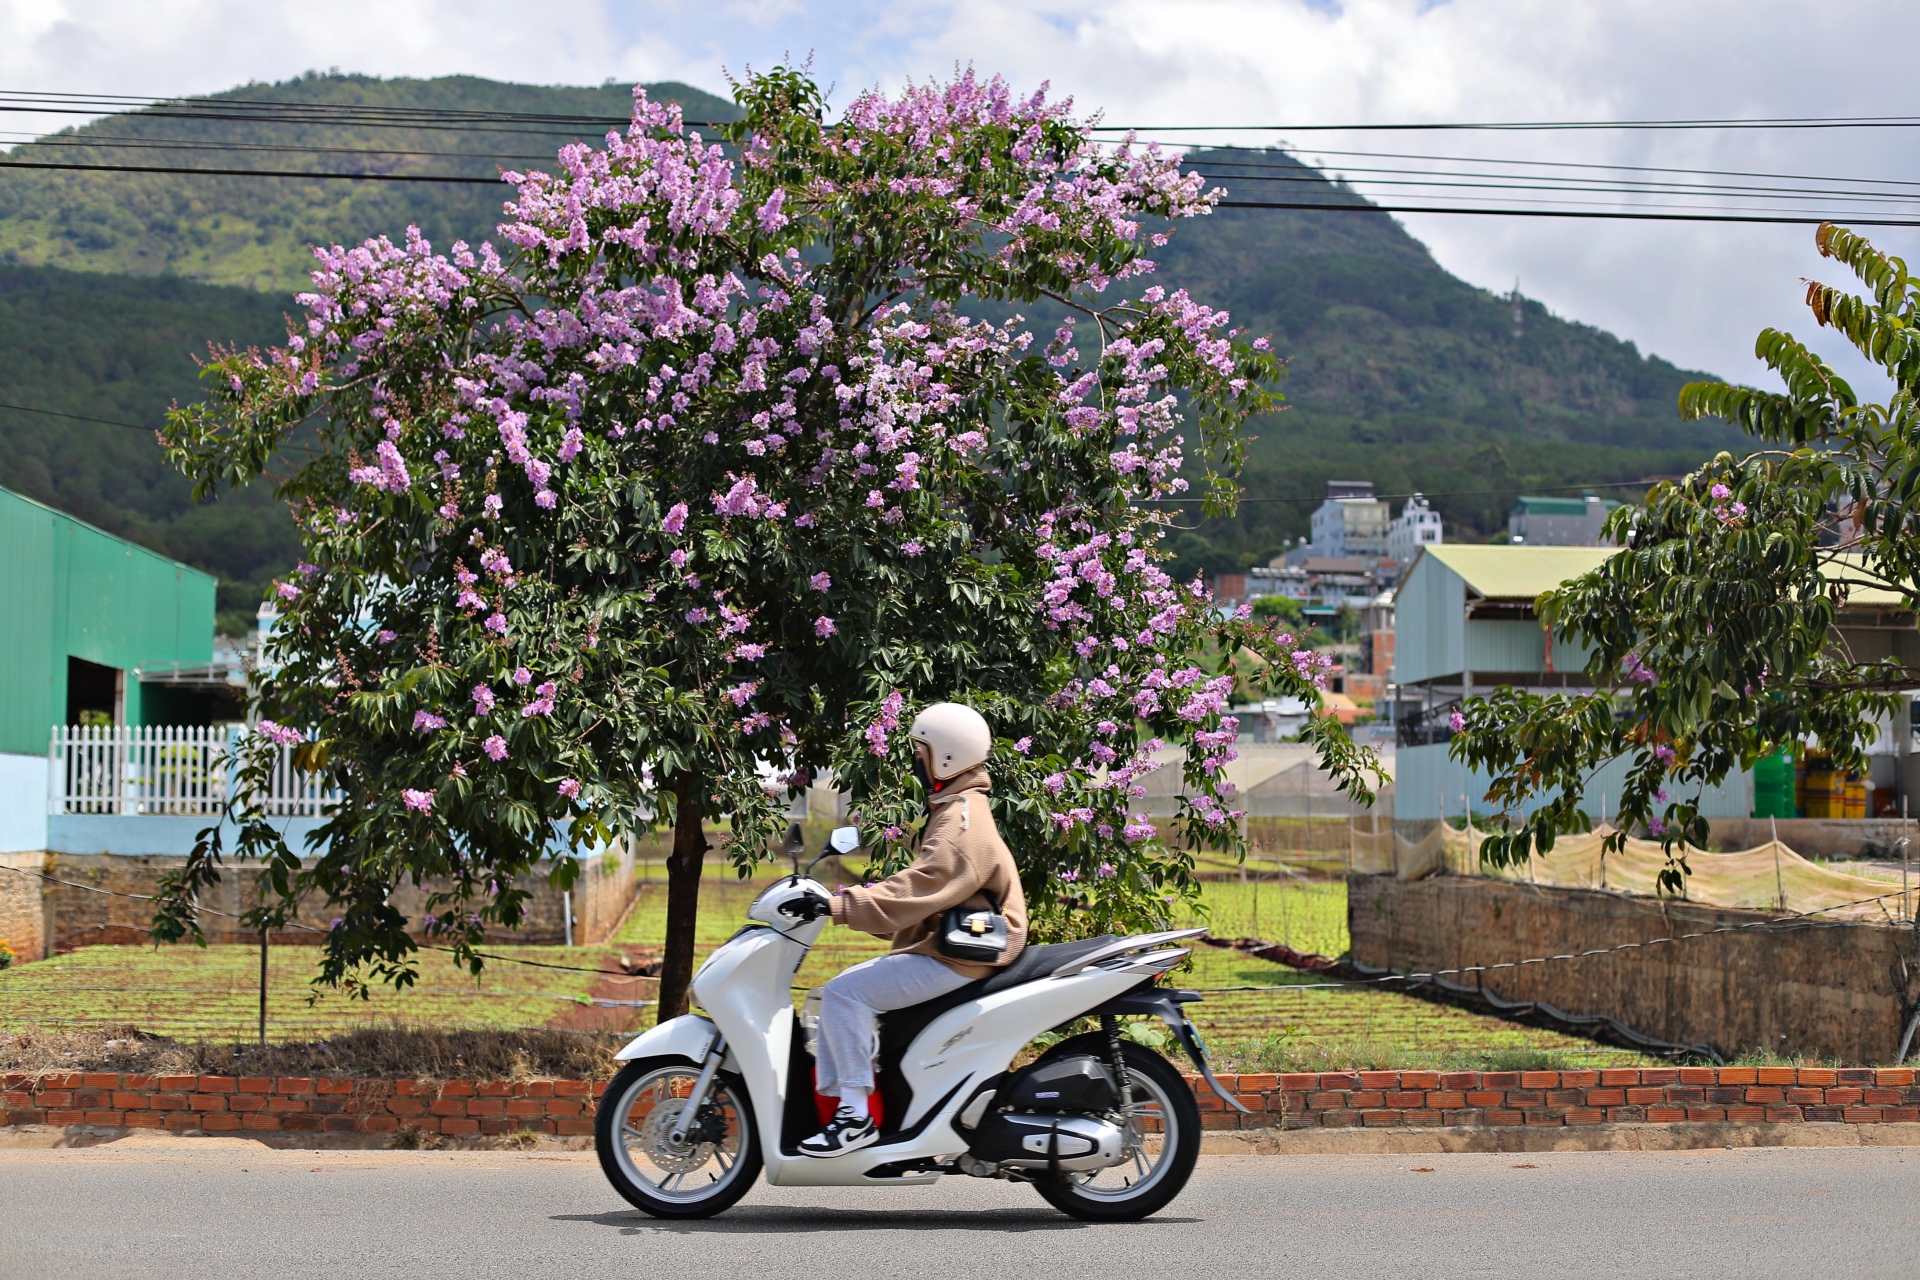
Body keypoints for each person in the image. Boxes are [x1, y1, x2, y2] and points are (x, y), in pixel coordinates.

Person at [797, 702, 1028, 1157]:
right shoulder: (956, 808)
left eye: (920, 752)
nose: (915, 762)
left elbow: (924, 885)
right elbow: (927, 892)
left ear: (945, 757)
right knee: (846, 990)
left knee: (844, 995)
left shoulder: (961, 821)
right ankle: (862, 1098)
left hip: (963, 953)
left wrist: (842, 905)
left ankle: (854, 1118)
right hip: (955, 943)